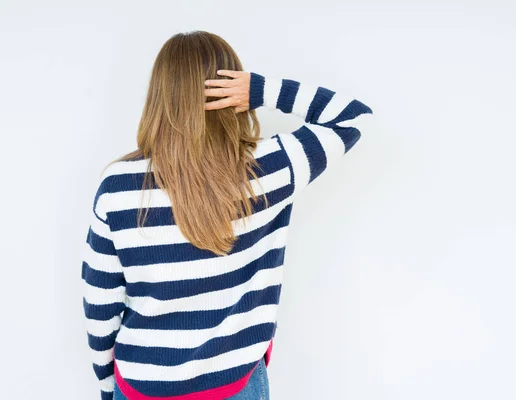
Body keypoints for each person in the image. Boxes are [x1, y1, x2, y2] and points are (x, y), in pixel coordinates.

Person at [80, 30, 374, 400]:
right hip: (235, 385)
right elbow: (352, 118)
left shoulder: (118, 187)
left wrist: (108, 388)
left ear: (159, 95)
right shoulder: (266, 169)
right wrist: (262, 90)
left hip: (142, 387)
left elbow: (100, 306)